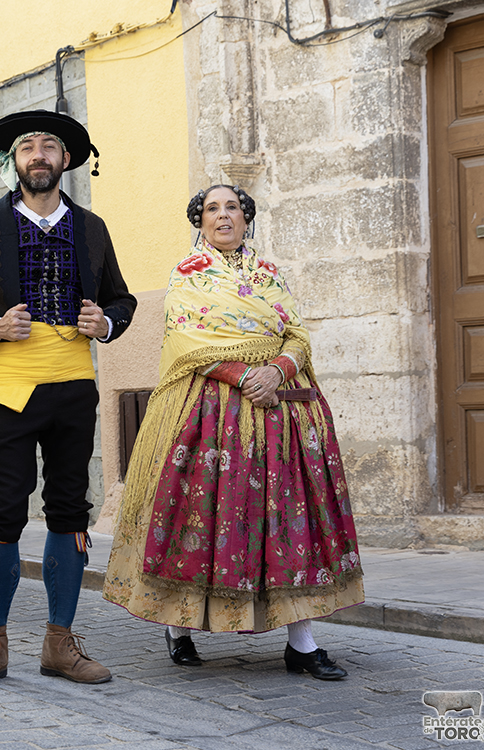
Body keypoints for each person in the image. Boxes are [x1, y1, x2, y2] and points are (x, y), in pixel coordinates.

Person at [103, 185, 363, 681]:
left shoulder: (270, 275)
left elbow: (297, 332)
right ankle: (178, 628)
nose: (222, 216)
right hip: (210, 410)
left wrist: (279, 369)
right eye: (211, 209)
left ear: (247, 218)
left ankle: (301, 643)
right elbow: (185, 337)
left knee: (291, 516)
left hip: (282, 408)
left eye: (232, 208)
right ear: (199, 221)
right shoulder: (187, 276)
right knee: (198, 514)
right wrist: (244, 375)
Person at [0, 110, 136, 685]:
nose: (39, 155)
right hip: (10, 389)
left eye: (50, 147)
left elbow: (122, 300)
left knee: (70, 510)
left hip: (72, 386)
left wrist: (106, 322)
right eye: (27, 148)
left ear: (66, 160)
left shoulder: (92, 227)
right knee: (4, 512)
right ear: (13, 161)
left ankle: (60, 646)